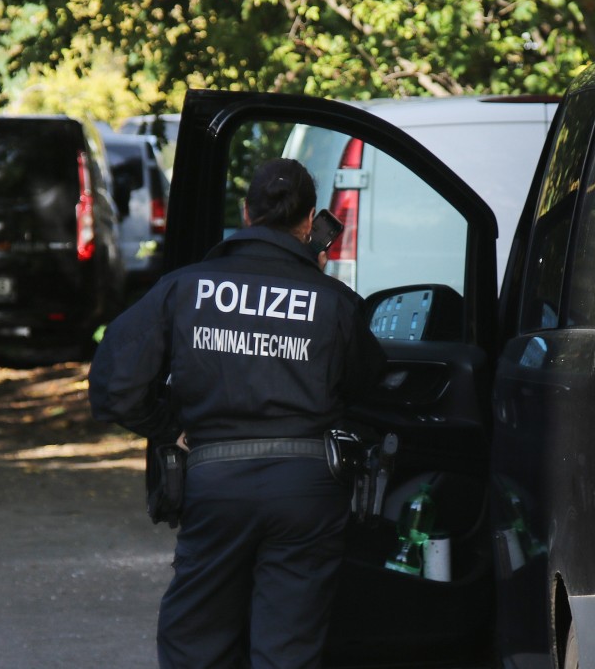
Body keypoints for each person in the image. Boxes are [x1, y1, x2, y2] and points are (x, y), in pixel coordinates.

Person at [88, 157, 386, 668]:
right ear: (311, 219)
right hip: (307, 491)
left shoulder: (185, 288)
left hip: (215, 483)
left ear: (247, 213)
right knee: (288, 648)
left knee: (195, 640)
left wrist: (169, 429)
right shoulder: (334, 301)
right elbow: (368, 386)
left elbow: (115, 386)